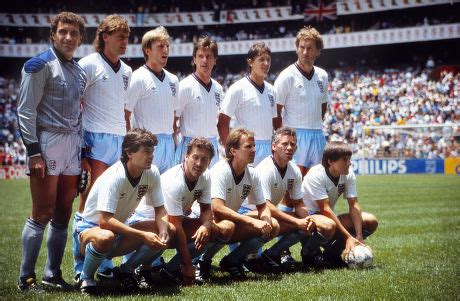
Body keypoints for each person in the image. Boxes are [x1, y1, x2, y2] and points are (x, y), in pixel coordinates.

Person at [16, 11, 87, 292]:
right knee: (42, 211)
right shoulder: (39, 65)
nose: (68, 37)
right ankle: (26, 278)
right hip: (47, 142)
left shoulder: (79, 71)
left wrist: (82, 154)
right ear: (53, 35)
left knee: (63, 212)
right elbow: (25, 111)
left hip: (72, 145)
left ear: (81, 38)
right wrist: (33, 152)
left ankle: (52, 274)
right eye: (63, 32)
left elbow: (79, 116)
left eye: (74, 33)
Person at [75, 129, 175, 294]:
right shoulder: (115, 176)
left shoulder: (152, 172)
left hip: (119, 228)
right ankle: (85, 277)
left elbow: (160, 209)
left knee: (169, 230)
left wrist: (163, 230)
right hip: (89, 229)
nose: (151, 156)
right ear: (129, 153)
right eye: (146, 152)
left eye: (152, 152)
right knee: (106, 236)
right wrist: (142, 235)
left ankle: (126, 270)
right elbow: (105, 221)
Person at [73, 14, 132, 282]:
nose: (124, 42)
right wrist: (83, 151)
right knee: (90, 203)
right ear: (105, 36)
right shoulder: (87, 65)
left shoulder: (128, 71)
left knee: (115, 205)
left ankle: (105, 264)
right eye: (120, 37)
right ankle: (79, 265)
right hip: (94, 139)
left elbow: (124, 110)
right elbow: (75, 106)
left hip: (119, 139)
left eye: (127, 38)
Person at [247, 127, 336, 271]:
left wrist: (308, 220)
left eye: (293, 144)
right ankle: (235, 259)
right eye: (285, 144)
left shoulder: (293, 169)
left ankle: (273, 254)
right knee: (284, 224)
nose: (289, 148)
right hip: (249, 213)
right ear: (274, 146)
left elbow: (299, 203)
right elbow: (266, 206)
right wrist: (297, 221)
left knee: (311, 224)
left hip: (265, 215)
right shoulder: (265, 169)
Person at [195, 128, 280, 279]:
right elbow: (217, 208)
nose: (254, 150)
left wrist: (265, 220)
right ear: (233, 151)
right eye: (248, 146)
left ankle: (232, 261)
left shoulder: (252, 173)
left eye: (253, 146)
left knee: (273, 224)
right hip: (201, 221)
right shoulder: (221, 170)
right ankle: (201, 261)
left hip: (226, 221)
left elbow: (263, 207)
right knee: (228, 226)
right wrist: (253, 222)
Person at [158, 138, 234, 285]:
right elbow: (176, 225)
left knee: (214, 230)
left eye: (204, 159)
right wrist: (187, 264)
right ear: (186, 156)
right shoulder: (175, 182)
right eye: (195, 157)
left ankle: (170, 269)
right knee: (173, 229)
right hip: (150, 221)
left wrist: (206, 225)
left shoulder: (206, 176)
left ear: (210, 162)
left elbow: (206, 208)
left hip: (172, 223)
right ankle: (133, 269)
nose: (199, 164)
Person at [303, 141, 378, 267]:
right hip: (308, 219)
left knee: (371, 221)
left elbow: (353, 204)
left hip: (328, 219)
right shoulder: (316, 175)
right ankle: (307, 252)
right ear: (330, 162)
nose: (349, 162)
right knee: (329, 224)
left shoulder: (348, 174)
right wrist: (348, 236)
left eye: (349, 158)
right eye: (344, 159)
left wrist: (358, 236)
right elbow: (325, 209)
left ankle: (331, 254)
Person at [274, 26, 330, 176]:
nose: (305, 52)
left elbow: (322, 107)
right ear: (297, 49)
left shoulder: (322, 76)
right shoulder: (287, 76)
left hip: (317, 134)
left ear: (318, 51)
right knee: (294, 185)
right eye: (302, 47)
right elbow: (275, 111)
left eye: (310, 48)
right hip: (295, 136)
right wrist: (284, 137)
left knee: (316, 185)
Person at [125, 26, 179, 174]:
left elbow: (173, 119)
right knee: (143, 193)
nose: (166, 50)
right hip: (146, 144)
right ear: (147, 50)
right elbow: (125, 114)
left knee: (167, 193)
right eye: (160, 46)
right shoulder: (137, 77)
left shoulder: (173, 80)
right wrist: (131, 146)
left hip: (168, 144)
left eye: (167, 46)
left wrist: (175, 144)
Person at [217, 42, 277, 166]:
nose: (266, 64)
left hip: (268, 149)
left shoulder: (272, 90)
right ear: (250, 62)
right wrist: (231, 152)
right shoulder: (238, 88)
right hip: (247, 148)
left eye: (268, 60)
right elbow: (222, 123)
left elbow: (275, 123)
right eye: (261, 60)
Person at [174, 36, 223, 167]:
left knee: (211, 186)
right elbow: (173, 121)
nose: (204, 60)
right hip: (191, 146)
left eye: (209, 56)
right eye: (200, 56)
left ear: (215, 60)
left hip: (212, 146)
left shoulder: (218, 88)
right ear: (194, 59)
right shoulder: (185, 86)